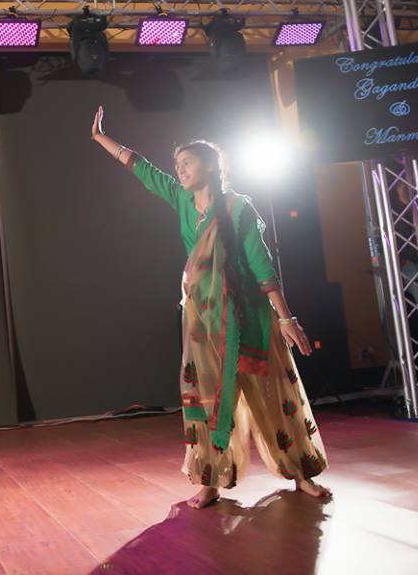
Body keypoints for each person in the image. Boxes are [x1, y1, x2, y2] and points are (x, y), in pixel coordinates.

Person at [90, 106, 330, 509]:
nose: (180, 170)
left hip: (246, 317)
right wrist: (101, 139)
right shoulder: (182, 201)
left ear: (210, 165)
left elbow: (261, 264)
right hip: (202, 319)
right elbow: (142, 168)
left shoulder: (238, 208)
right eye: (178, 164)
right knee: (205, 398)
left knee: (272, 396)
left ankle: (300, 475)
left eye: (187, 162)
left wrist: (285, 317)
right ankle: (210, 480)